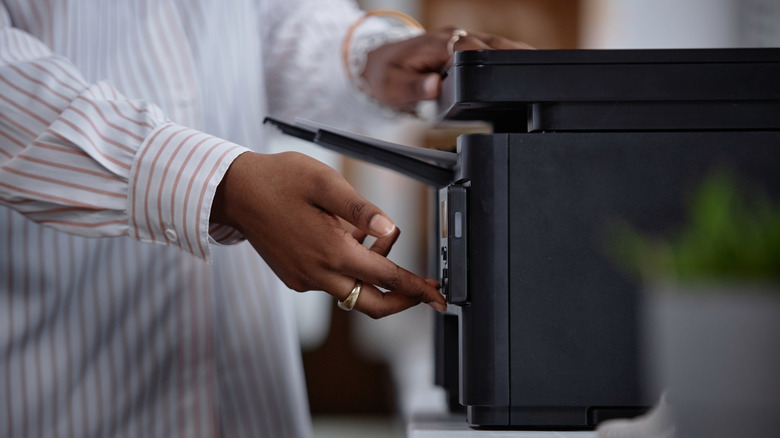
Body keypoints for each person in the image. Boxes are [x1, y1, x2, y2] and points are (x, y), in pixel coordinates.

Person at [0, 1, 525, 437]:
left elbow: (271, 22)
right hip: (57, 380)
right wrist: (216, 184)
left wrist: (370, 60)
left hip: (248, 392)